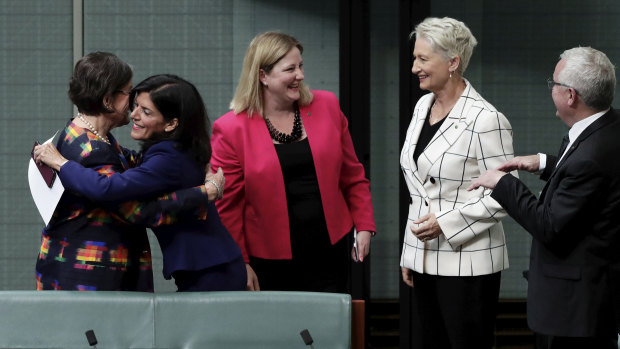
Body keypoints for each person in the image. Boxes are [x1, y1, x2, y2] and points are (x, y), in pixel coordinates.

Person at [35, 74, 246, 292]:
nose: (133, 114)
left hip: (213, 271)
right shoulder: (170, 149)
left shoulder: (168, 159)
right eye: (136, 105)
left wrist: (62, 163)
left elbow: (108, 188)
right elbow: (128, 159)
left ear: (172, 123)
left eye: (145, 111)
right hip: (210, 267)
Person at [469, 47, 620, 349]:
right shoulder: (609, 127)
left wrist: (502, 184)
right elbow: (590, 184)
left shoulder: (589, 156)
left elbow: (549, 226)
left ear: (571, 96)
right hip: (595, 299)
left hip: (574, 310)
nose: (550, 89)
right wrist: (544, 163)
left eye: (554, 84)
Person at [210, 31, 376, 292]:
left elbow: (353, 175)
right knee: (279, 331)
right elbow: (228, 206)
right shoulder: (230, 129)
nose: (300, 75)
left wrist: (364, 225)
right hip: (267, 258)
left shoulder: (327, 105)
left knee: (327, 328)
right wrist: (239, 261)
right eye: (290, 69)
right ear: (263, 76)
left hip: (330, 249)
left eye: (300, 66)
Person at [399, 17, 516, 349]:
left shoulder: (486, 119)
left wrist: (445, 223)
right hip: (424, 258)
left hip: (469, 263)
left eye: (423, 59)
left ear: (453, 62)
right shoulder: (423, 106)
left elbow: (506, 195)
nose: (414, 68)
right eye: (414, 58)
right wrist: (411, 253)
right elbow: (419, 189)